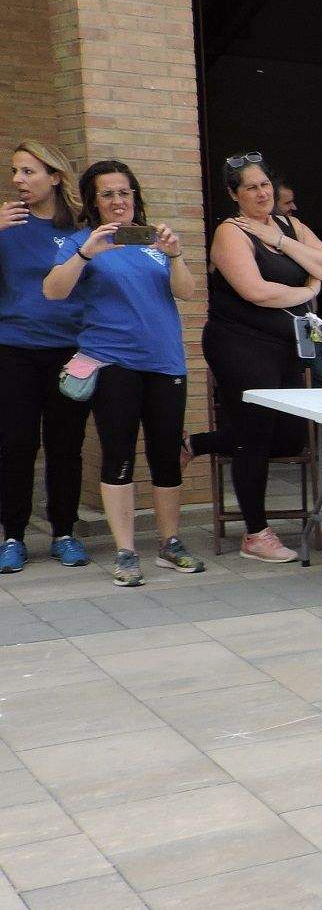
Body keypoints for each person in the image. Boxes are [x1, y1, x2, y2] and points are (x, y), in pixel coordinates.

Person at [42, 160, 206, 587]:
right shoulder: (83, 242)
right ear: (94, 202)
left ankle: (170, 544)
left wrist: (175, 255)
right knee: (118, 455)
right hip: (113, 363)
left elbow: (186, 292)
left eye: (125, 192)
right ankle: (127, 552)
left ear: (136, 197)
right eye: (108, 194)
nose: (119, 201)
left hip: (166, 362)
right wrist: (85, 253)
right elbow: (53, 291)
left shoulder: (154, 240)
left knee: (166, 456)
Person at [197, 155, 322, 564]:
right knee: (255, 435)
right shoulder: (230, 233)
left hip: (286, 345)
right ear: (234, 194)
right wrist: (307, 291)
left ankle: (198, 444)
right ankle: (256, 534)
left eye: (265, 185)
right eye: (250, 188)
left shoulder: (287, 225)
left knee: (290, 435)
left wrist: (281, 242)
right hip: (239, 343)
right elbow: (256, 291)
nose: (262, 193)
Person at [0, 141, 92, 573]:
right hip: (13, 349)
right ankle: (13, 536)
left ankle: (64, 533)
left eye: (27, 171)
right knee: (16, 445)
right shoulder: (6, 223)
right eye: (15, 171)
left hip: (69, 351)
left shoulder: (80, 229)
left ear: (55, 176)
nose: (17, 179)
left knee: (65, 447)